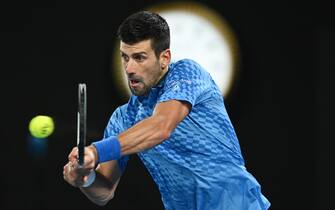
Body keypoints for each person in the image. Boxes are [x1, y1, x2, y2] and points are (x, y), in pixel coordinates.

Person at [63, 11, 271, 210]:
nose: (129, 69)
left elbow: (161, 127)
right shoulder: (122, 119)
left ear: (164, 58)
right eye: (125, 57)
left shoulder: (187, 73)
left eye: (139, 57)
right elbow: (105, 192)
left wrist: (96, 151)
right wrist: (85, 178)